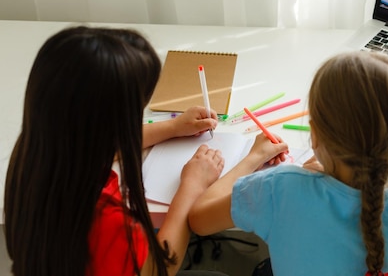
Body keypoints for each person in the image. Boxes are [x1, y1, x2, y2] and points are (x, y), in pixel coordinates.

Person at [189, 51, 388, 276]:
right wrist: (369, 165)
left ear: (315, 135)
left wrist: (252, 158)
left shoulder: (280, 188)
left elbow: (199, 220)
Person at [3, 25, 231, 276]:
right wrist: (191, 188)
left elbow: (99, 147)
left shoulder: (37, 152)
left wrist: (173, 127)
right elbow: (160, 267)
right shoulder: (108, 224)